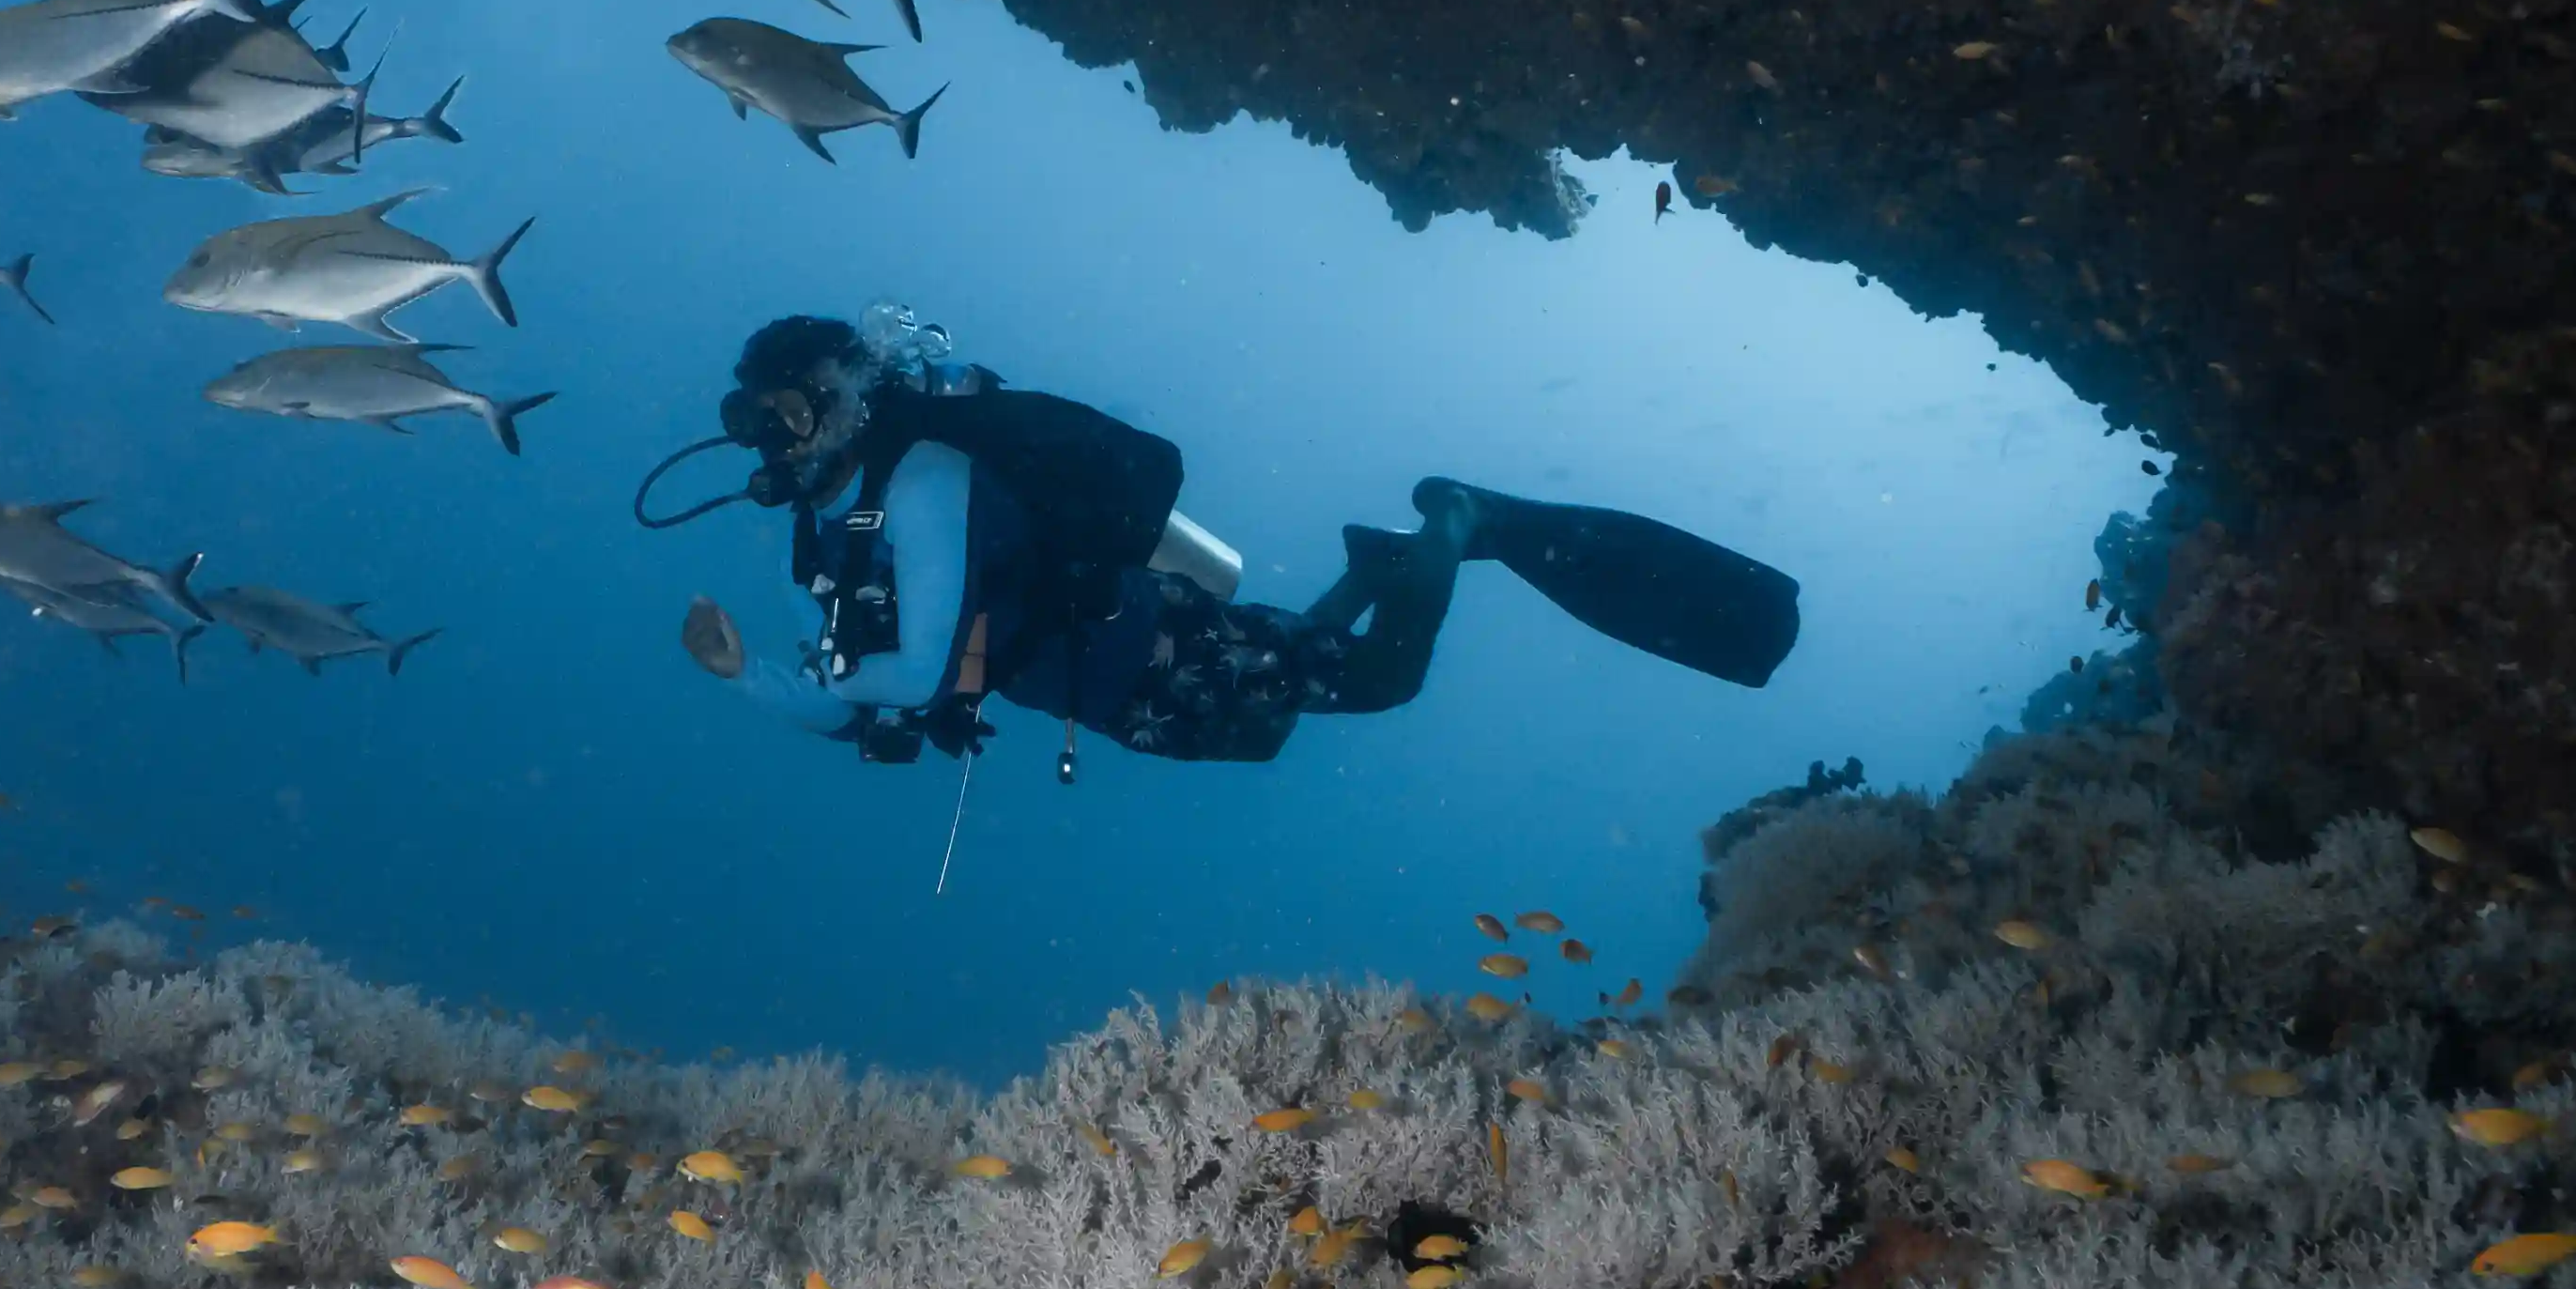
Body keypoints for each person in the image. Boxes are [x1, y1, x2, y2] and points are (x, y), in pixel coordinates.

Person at [636, 307, 1800, 771]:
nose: (777, 442)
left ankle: (1458, 517)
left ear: (846, 392)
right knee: (1263, 735)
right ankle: (1368, 565)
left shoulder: (926, 475)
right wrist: (748, 680)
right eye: (760, 421)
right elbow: (840, 702)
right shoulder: (813, 541)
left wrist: (852, 684)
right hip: (1097, 693)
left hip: (1145, 640)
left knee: (1380, 687)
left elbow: (920, 665)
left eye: (792, 410)